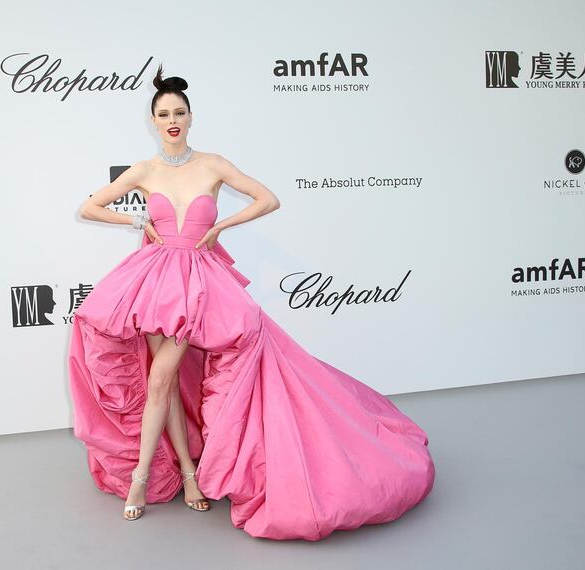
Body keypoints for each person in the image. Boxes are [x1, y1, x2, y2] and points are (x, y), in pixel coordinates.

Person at [68, 64, 435, 541]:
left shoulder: (213, 164)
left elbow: (268, 198)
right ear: (153, 121)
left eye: (179, 112)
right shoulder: (144, 171)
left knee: (160, 378)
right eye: (164, 114)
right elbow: (89, 207)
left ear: (191, 117)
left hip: (199, 284)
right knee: (168, 380)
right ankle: (188, 472)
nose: (172, 120)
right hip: (157, 280)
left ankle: (140, 479)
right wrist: (138, 225)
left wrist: (219, 228)